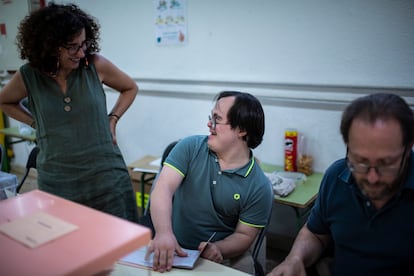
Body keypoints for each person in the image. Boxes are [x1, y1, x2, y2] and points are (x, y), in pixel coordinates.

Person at [0, 3, 139, 222]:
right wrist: (37, 123)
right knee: (68, 247)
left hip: (106, 180)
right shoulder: (29, 75)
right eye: (72, 46)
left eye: (84, 44)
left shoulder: (95, 65)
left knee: (121, 246)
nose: (81, 52)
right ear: (50, 45)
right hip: (58, 181)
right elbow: (5, 101)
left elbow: (130, 88)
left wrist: (113, 119)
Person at [268, 93, 414, 276]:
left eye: (386, 164)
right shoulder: (336, 176)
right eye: (360, 161)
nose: (372, 178)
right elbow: (315, 233)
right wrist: (294, 259)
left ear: (408, 149)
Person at [147, 91, 273, 273]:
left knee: (246, 267)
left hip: (217, 258)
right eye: (210, 117)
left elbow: (244, 235)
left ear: (241, 130)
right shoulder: (190, 147)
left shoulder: (259, 186)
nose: (209, 124)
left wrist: (219, 248)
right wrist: (164, 233)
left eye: (217, 119)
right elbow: (163, 188)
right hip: (172, 244)